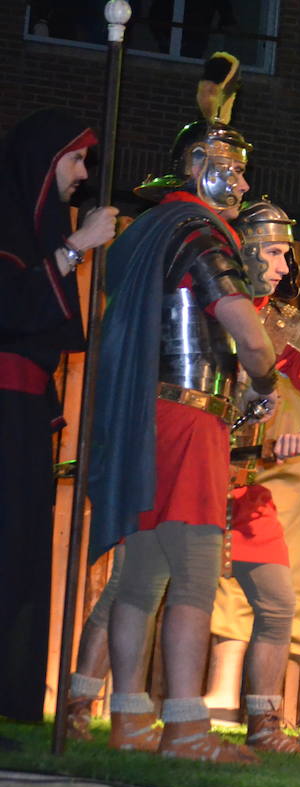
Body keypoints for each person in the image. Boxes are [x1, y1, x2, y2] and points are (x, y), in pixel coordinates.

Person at [87, 53, 280, 764]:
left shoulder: (150, 230)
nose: (244, 179)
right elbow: (245, 329)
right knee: (197, 575)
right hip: (192, 420)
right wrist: (264, 381)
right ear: (200, 163)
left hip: (145, 419)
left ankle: (130, 717)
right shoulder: (199, 233)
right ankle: (188, 729)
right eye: (232, 165)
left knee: (142, 577)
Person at [201, 199, 300, 739]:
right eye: (274, 252)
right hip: (190, 469)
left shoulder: (278, 322)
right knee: (143, 585)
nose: (285, 267)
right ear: (243, 249)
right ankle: (112, 704)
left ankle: (250, 713)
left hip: (252, 484)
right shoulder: (196, 300)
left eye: (286, 256)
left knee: (271, 596)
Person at [0, 109, 115, 725]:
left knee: (18, 559)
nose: (82, 174)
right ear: (46, 163)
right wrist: (74, 247)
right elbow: (9, 306)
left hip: (22, 420)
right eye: (75, 160)